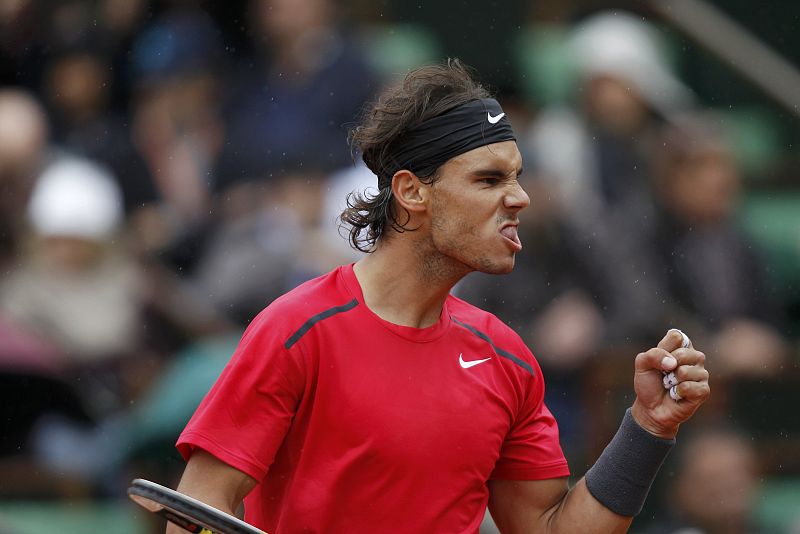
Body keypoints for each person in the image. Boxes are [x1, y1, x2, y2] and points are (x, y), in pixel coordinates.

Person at [169, 60, 710, 533]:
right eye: (489, 179)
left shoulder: (507, 359)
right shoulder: (296, 330)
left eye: (518, 178)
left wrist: (648, 425)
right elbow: (199, 508)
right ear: (411, 192)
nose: (519, 198)